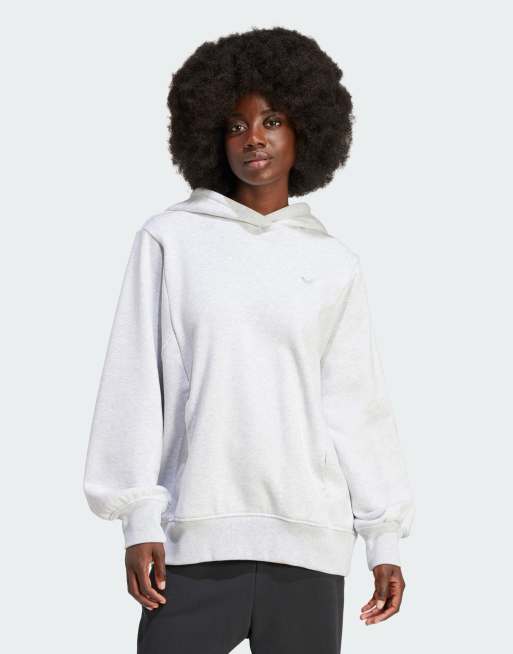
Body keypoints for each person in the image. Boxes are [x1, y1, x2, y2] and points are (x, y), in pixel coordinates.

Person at [83, 26, 415, 653]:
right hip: (194, 540)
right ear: (212, 135)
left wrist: (384, 538)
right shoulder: (171, 240)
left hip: (310, 545)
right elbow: (133, 382)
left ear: (304, 132)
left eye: (272, 121)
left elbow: (356, 405)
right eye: (236, 125)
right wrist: (137, 518)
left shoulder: (334, 262)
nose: (254, 138)